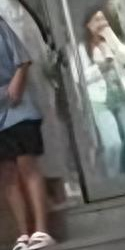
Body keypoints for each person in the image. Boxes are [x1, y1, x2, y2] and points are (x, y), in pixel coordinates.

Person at [0, 0, 70, 202]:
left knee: (50, 148)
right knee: (34, 159)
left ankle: (60, 196)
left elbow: (37, 48)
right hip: (20, 95)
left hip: (39, 86)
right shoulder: (4, 9)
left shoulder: (18, 6)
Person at [0, 17, 56, 250]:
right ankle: (23, 235)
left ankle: (42, 231)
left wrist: (16, 83)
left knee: (26, 165)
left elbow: (23, 59)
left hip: (18, 106)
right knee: (7, 175)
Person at [80, 7, 125, 178]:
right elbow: (80, 77)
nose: (101, 23)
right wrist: (100, 67)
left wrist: (110, 36)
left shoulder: (112, 42)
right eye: (97, 20)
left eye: (103, 19)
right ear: (88, 25)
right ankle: (115, 180)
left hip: (124, 96)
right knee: (114, 144)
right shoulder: (82, 48)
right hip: (100, 101)